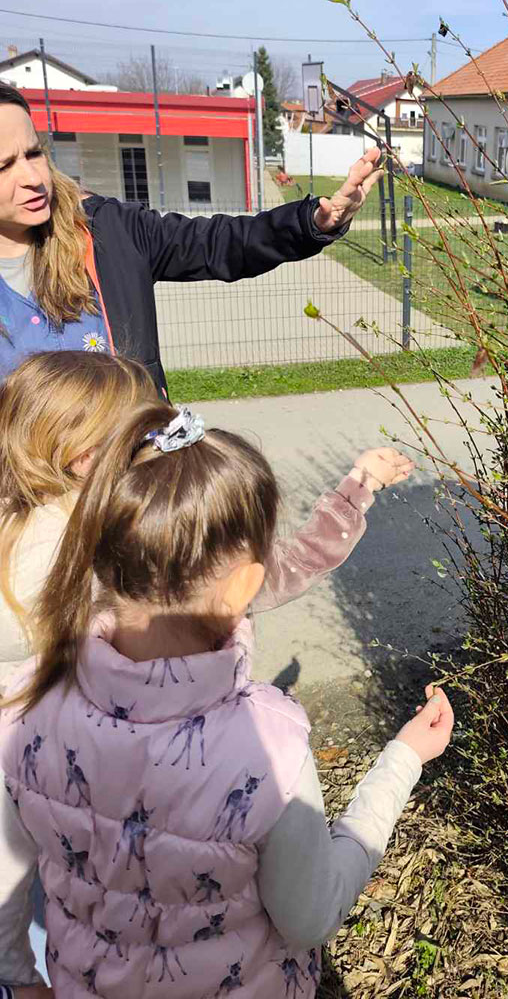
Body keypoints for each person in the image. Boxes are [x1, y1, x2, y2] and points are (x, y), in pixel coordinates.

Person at [0, 399, 453, 998]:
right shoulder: (266, 745)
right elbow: (310, 918)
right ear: (246, 582)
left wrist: (17, 978)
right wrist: (403, 761)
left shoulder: (24, 706)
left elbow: (6, 874)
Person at [0, 350, 413, 688]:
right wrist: (358, 487)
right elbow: (283, 568)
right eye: (143, 433)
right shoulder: (132, 530)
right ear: (85, 456)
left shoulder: (17, 528)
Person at [0, 82, 383, 392]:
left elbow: (220, 242)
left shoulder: (108, 231)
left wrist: (312, 222)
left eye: (34, 154)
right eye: (4, 167)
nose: (32, 178)